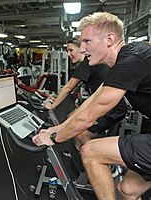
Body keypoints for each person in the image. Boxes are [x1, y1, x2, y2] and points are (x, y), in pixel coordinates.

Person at [32, 12, 151, 200]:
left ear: (109, 39)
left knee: (91, 151)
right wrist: (57, 128)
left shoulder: (132, 59)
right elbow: (91, 102)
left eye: (87, 41)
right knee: (128, 190)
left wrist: (54, 138)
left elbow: (88, 118)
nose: (82, 48)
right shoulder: (122, 63)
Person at [45, 36, 127, 150]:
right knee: (71, 117)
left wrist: (52, 105)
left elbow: (68, 87)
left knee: (82, 134)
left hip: (114, 108)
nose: (68, 54)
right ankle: (78, 153)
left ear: (81, 49)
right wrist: (56, 99)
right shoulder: (86, 65)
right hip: (101, 101)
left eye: (71, 50)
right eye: (67, 51)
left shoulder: (86, 64)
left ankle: (94, 160)